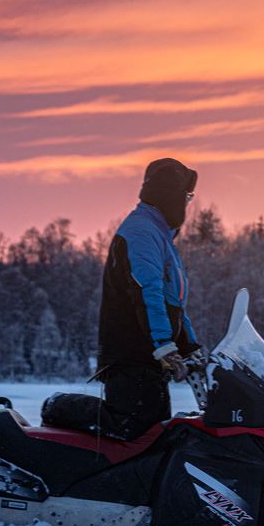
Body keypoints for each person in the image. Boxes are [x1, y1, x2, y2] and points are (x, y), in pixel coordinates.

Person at [94, 157, 204, 438]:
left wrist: (190, 347)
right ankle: (57, 408)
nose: (188, 203)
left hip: (149, 358)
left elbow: (174, 304)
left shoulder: (160, 236)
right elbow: (147, 292)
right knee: (133, 436)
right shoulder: (141, 232)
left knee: (153, 439)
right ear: (170, 196)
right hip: (131, 355)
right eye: (186, 196)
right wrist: (164, 345)